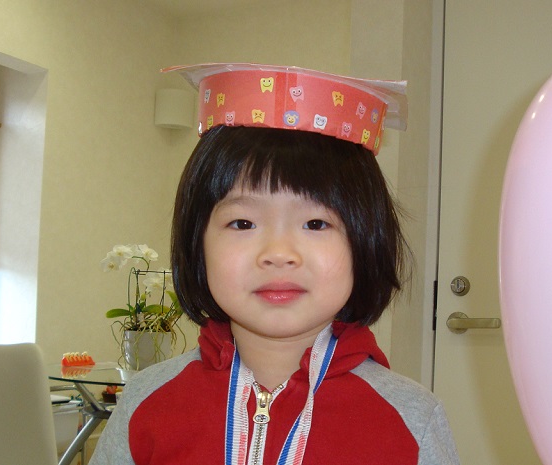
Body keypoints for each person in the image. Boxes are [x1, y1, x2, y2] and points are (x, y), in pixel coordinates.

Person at [91, 63, 459, 465]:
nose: (279, 253)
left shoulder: (411, 420)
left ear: (366, 242)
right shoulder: (146, 404)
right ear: (197, 244)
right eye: (243, 223)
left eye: (315, 223)